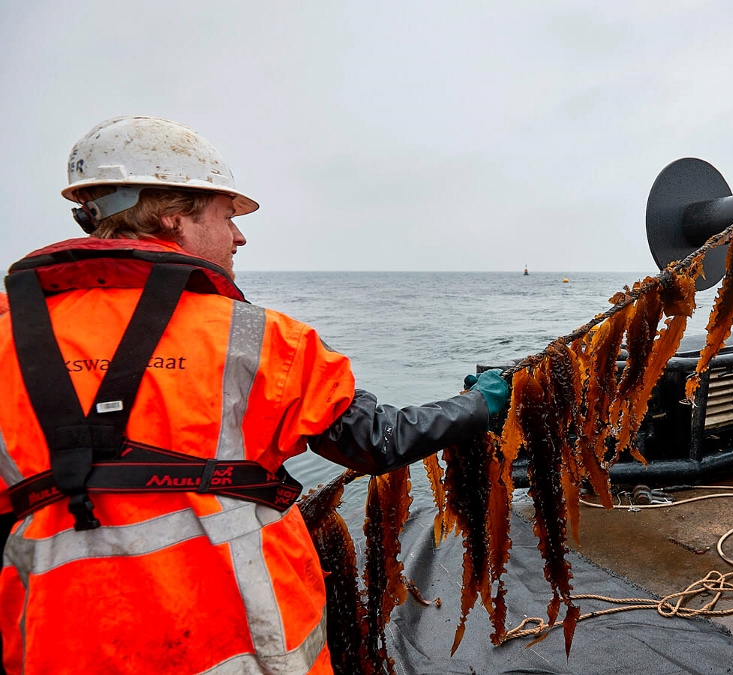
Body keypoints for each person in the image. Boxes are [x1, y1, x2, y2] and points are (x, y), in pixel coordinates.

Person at [0, 116, 510, 674]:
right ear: (174, 219)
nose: (239, 236)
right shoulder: (258, 338)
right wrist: (479, 406)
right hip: (242, 647)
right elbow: (373, 439)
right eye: (226, 217)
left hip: (51, 649)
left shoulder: (6, 335)